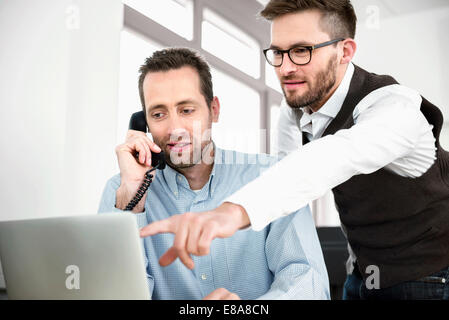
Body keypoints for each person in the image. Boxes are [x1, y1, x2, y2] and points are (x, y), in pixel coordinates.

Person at [141, 0, 449, 300]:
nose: (286, 68)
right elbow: (286, 180)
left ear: (344, 51)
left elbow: (334, 156)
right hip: (362, 273)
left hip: (429, 274)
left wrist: (230, 212)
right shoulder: (295, 111)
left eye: (302, 51)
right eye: (278, 52)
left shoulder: (395, 108)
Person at [98, 47, 330, 300]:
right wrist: (131, 204)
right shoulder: (121, 191)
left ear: (214, 110)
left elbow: (310, 285)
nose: (175, 128)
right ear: (143, 124)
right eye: (159, 114)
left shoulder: (273, 177)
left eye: (187, 110)